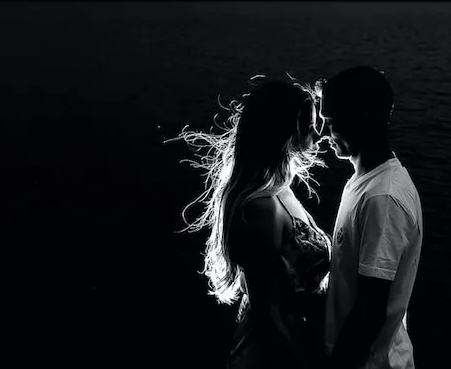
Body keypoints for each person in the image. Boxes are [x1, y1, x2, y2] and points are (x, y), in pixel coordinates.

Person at [176, 76, 332, 369]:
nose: (319, 134)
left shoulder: (282, 192)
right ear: (284, 133)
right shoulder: (260, 209)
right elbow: (266, 313)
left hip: (300, 337)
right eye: (310, 126)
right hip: (274, 353)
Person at [318, 66, 423, 369]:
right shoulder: (365, 181)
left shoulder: (383, 198)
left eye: (331, 121)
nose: (326, 134)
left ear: (362, 116)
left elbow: (370, 309)